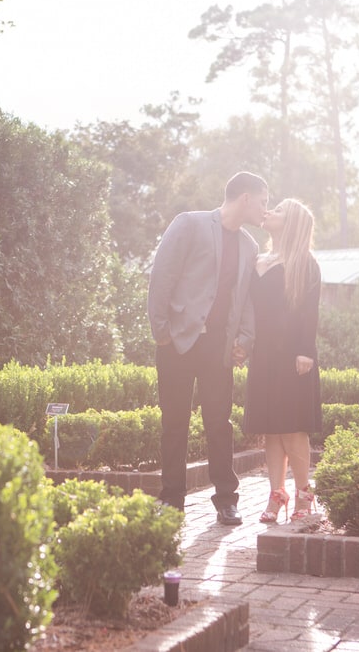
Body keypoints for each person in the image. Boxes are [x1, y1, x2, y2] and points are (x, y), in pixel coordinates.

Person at [147, 171, 269, 525]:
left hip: (218, 347)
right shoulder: (190, 224)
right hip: (177, 343)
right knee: (174, 423)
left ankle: (226, 499)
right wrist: (161, 333)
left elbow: (245, 298)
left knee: (219, 423)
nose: (266, 209)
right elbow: (162, 276)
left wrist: (244, 340)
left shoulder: (249, 245)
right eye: (263, 201)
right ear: (245, 197)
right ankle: (171, 499)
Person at [242, 198, 322, 523]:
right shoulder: (258, 259)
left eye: (278, 211)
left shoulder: (305, 262)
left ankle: (304, 495)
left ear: (290, 224)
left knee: (292, 429)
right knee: (271, 431)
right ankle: (277, 494)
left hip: (293, 357)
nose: (269, 212)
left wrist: (306, 350)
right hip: (262, 357)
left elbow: (309, 310)